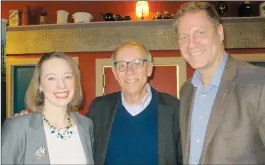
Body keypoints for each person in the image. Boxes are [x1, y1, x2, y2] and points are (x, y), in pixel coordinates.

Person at [174, 1, 265, 164]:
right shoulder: (186, 90)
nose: (191, 43)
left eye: (200, 32)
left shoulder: (258, 82)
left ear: (220, 32)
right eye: (184, 36)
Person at [87, 41, 182, 165]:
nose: (129, 71)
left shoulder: (174, 109)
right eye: (122, 65)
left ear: (149, 69)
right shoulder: (99, 108)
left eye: (137, 63)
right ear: (115, 73)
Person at [2, 52, 94, 164]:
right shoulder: (18, 128)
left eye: (68, 77)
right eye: (51, 78)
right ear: (40, 85)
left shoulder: (86, 125)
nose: (62, 85)